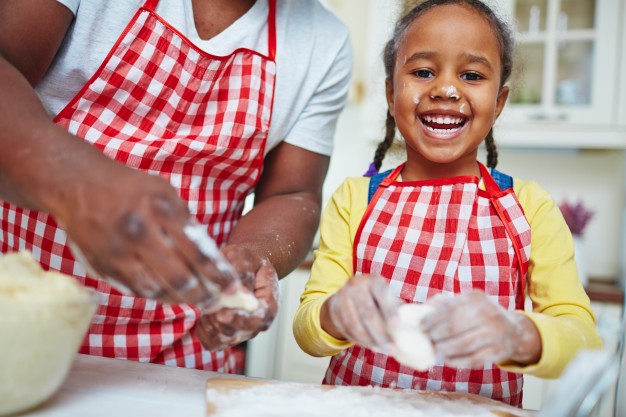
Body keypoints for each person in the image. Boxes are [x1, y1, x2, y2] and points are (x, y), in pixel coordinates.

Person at [0, 0, 351, 372]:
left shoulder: (324, 43)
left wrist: (256, 254)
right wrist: (77, 182)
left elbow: (293, 192)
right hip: (16, 324)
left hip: (183, 354)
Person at [293, 0, 601, 407]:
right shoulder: (355, 199)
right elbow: (306, 328)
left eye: (471, 75)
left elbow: (584, 339)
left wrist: (518, 333)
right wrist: (333, 313)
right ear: (390, 92)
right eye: (422, 72)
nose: (445, 89)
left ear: (500, 101)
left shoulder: (529, 207)